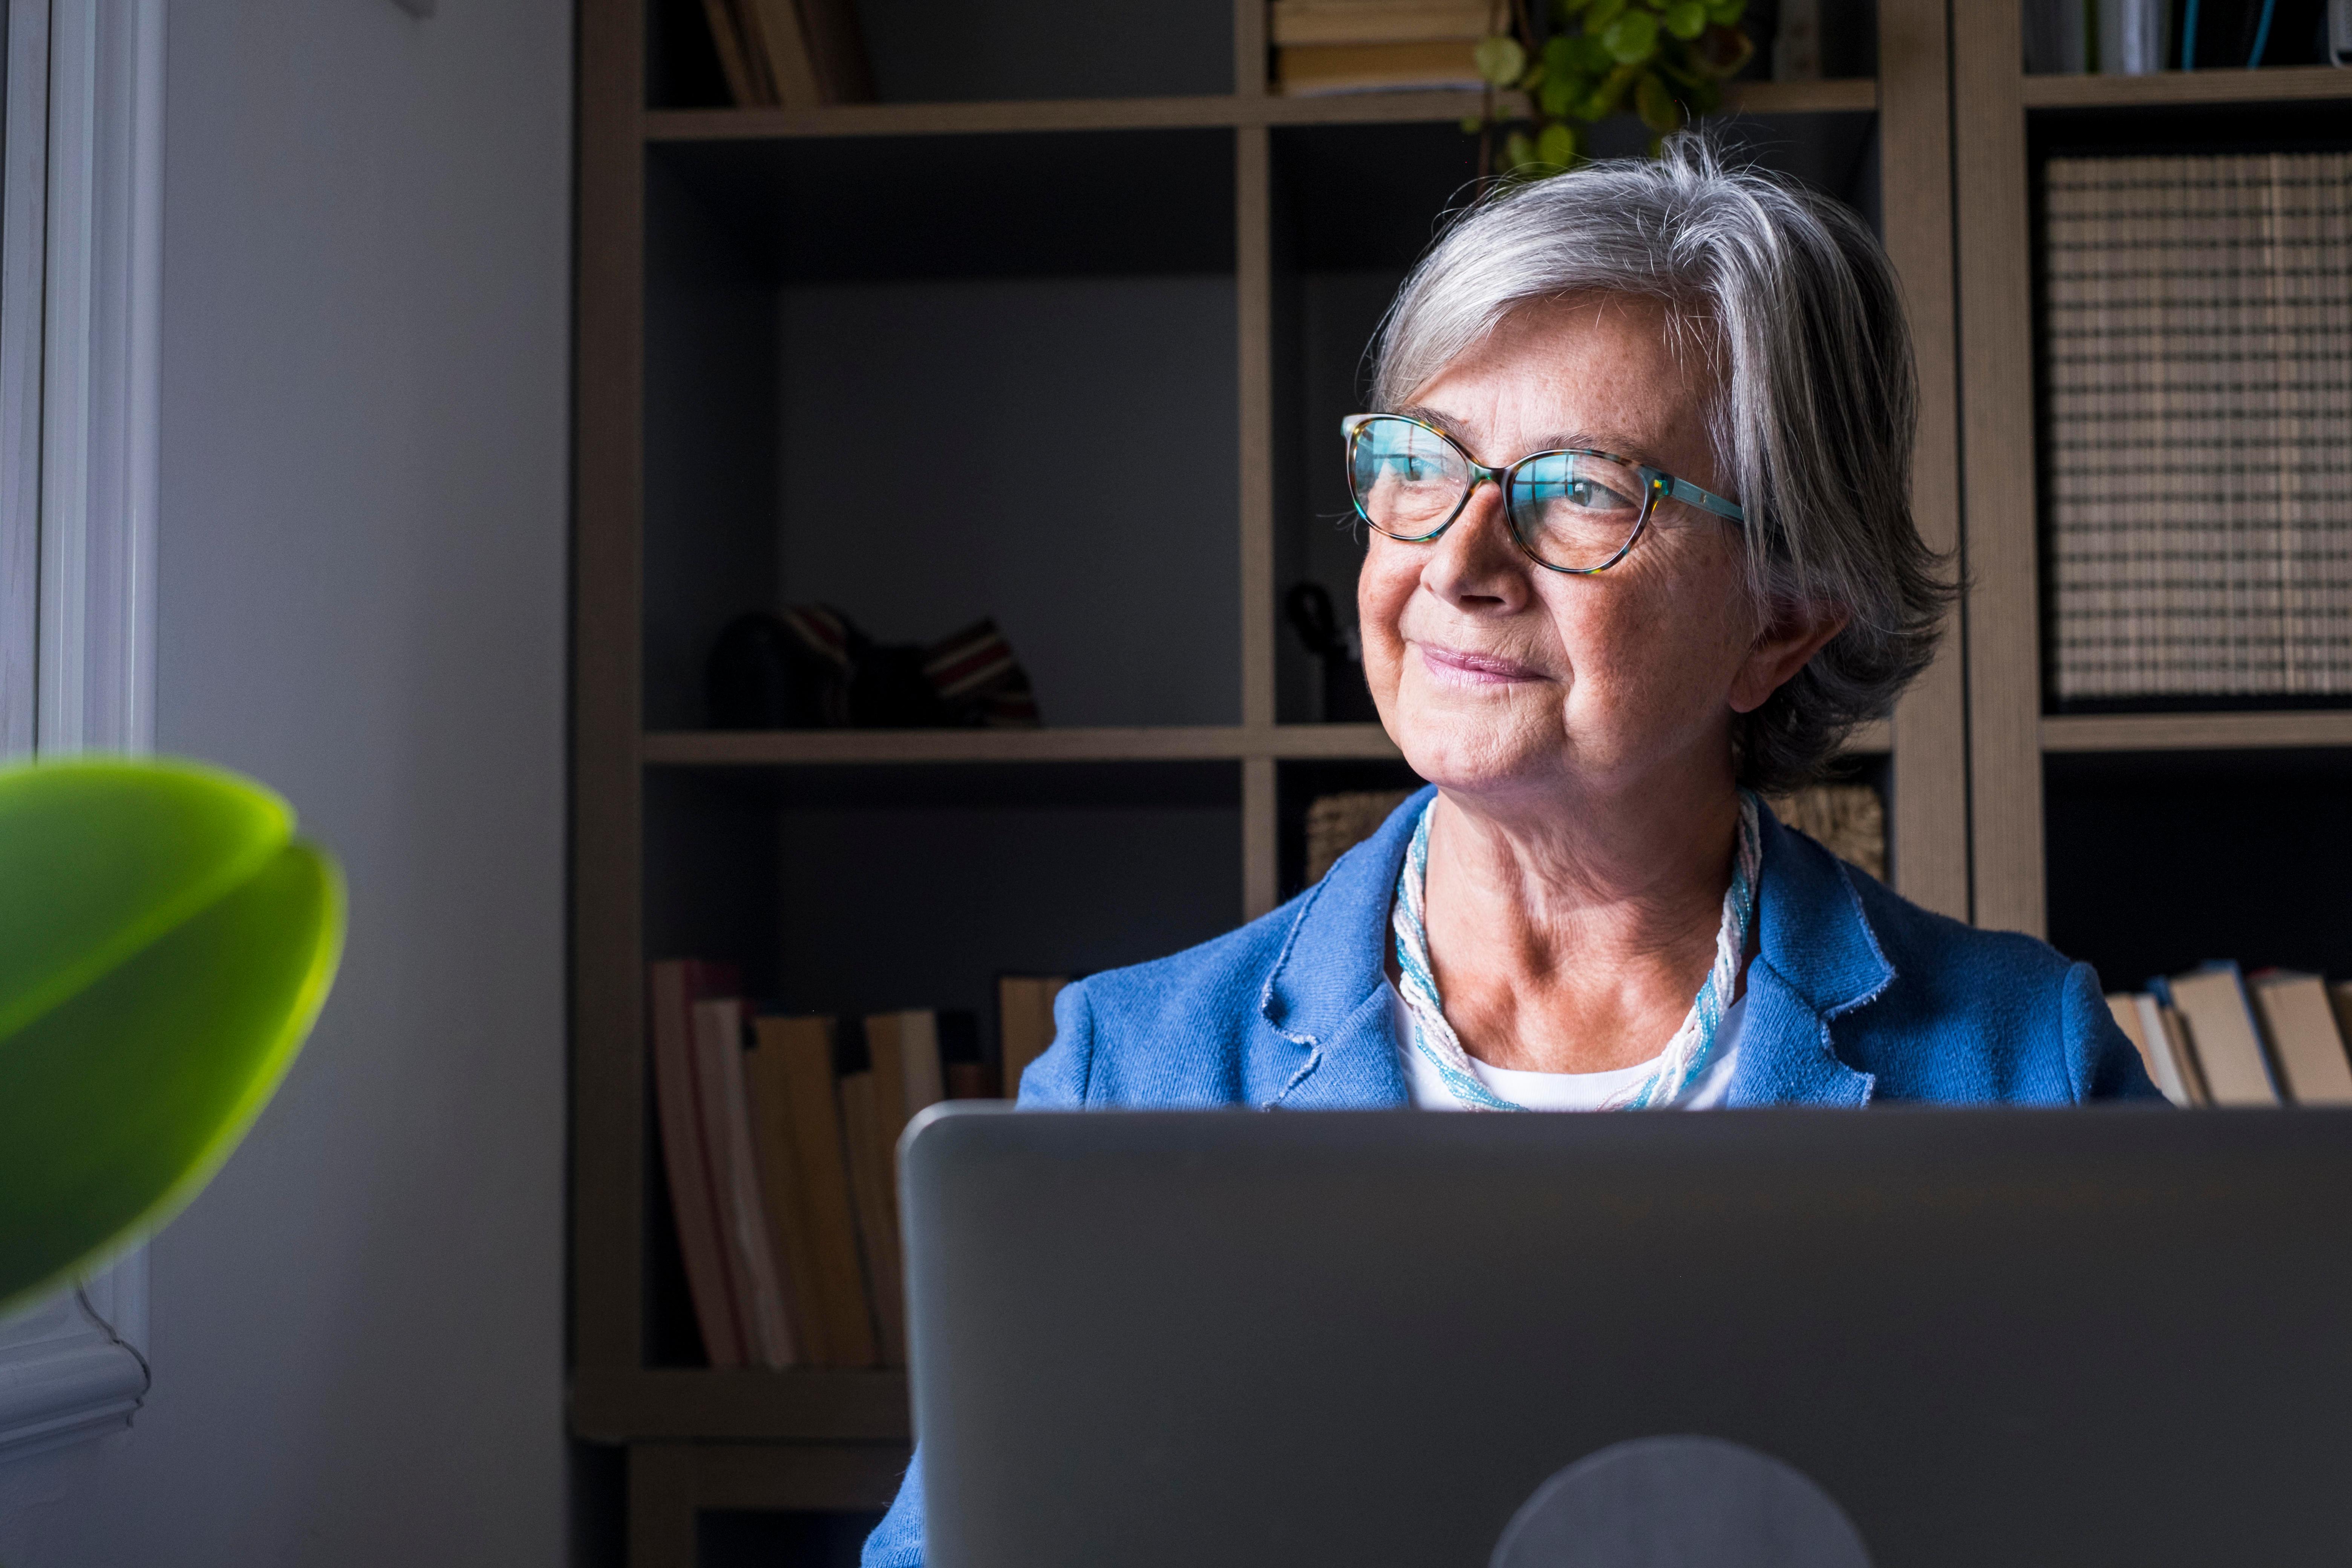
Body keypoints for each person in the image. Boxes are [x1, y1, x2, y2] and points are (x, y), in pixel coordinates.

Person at [862, 132, 2156, 1566]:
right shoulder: (1135, 1068)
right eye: (1422, 465)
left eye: (1583, 494)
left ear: (1782, 623)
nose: (1460, 563)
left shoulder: (2024, 1066)